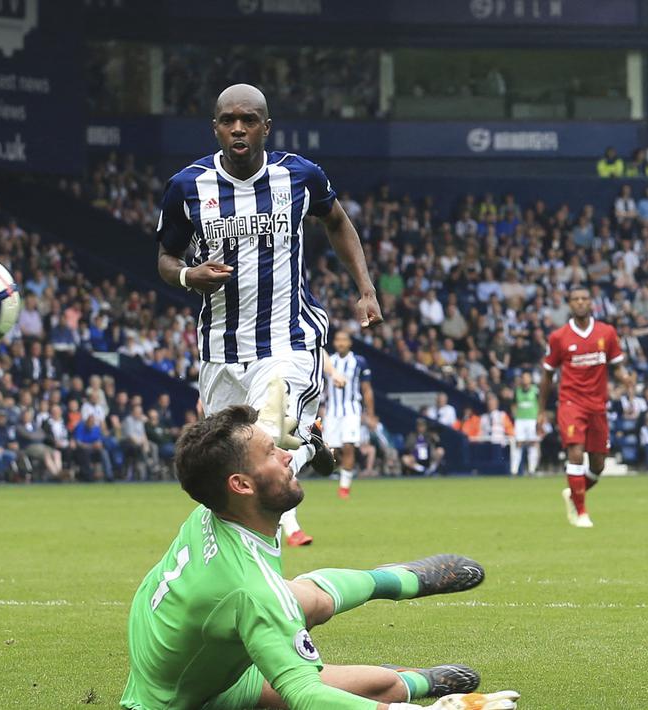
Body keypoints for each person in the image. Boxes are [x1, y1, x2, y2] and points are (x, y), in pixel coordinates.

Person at [122, 405, 518, 710]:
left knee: (309, 599)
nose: (287, 456)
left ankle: (398, 579)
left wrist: (292, 440)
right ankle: (422, 685)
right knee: (378, 688)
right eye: (272, 452)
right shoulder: (251, 587)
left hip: (184, 659)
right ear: (241, 485)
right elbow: (307, 696)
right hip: (182, 700)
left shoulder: (213, 504)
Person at [154, 84, 383, 547]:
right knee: (226, 476)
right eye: (228, 120)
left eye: (249, 120)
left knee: (266, 444)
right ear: (216, 128)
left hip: (287, 339)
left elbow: (337, 221)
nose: (238, 128)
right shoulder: (187, 187)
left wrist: (365, 288)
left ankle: (300, 448)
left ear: (266, 127)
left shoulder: (299, 176)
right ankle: (305, 449)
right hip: (220, 350)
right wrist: (188, 276)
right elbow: (166, 258)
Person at [539, 287, 631, 528]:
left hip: (598, 405)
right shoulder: (559, 337)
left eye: (584, 299)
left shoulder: (606, 332)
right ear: (570, 304)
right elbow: (547, 376)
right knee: (576, 452)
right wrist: (541, 410)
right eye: (576, 299)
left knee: (598, 464)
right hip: (571, 403)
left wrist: (625, 379)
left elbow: (617, 367)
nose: (580, 302)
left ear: (592, 303)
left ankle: (574, 493)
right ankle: (581, 513)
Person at [322, 329, 374, 499]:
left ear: (350, 343)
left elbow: (366, 390)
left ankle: (344, 488)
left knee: (348, 446)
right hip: (332, 411)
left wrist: (371, 414)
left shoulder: (359, 362)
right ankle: (343, 470)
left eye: (344, 340)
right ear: (334, 342)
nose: (341, 343)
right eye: (338, 340)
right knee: (332, 451)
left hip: (351, 410)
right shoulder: (328, 362)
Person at [509, 371, 540, 476]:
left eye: (527, 377)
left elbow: (540, 404)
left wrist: (539, 418)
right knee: (518, 443)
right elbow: (513, 404)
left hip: (532, 419)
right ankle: (514, 470)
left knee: (532, 443)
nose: (525, 380)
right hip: (520, 420)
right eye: (523, 377)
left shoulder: (536, 390)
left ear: (530, 379)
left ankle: (532, 469)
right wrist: (515, 415)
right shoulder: (517, 391)